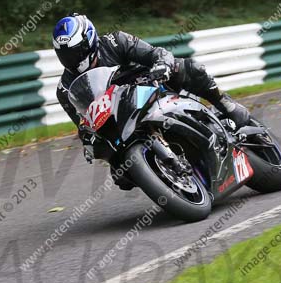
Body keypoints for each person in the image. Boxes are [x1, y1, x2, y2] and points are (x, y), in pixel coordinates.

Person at [53, 14, 250, 188]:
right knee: (121, 176)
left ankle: (225, 104)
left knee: (190, 68)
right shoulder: (64, 89)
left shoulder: (115, 42)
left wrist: (162, 65)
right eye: (64, 55)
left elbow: (157, 53)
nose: (71, 59)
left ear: (89, 40)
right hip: (121, 119)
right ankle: (164, 179)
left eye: (75, 51)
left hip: (153, 87)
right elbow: (83, 123)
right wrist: (88, 140)